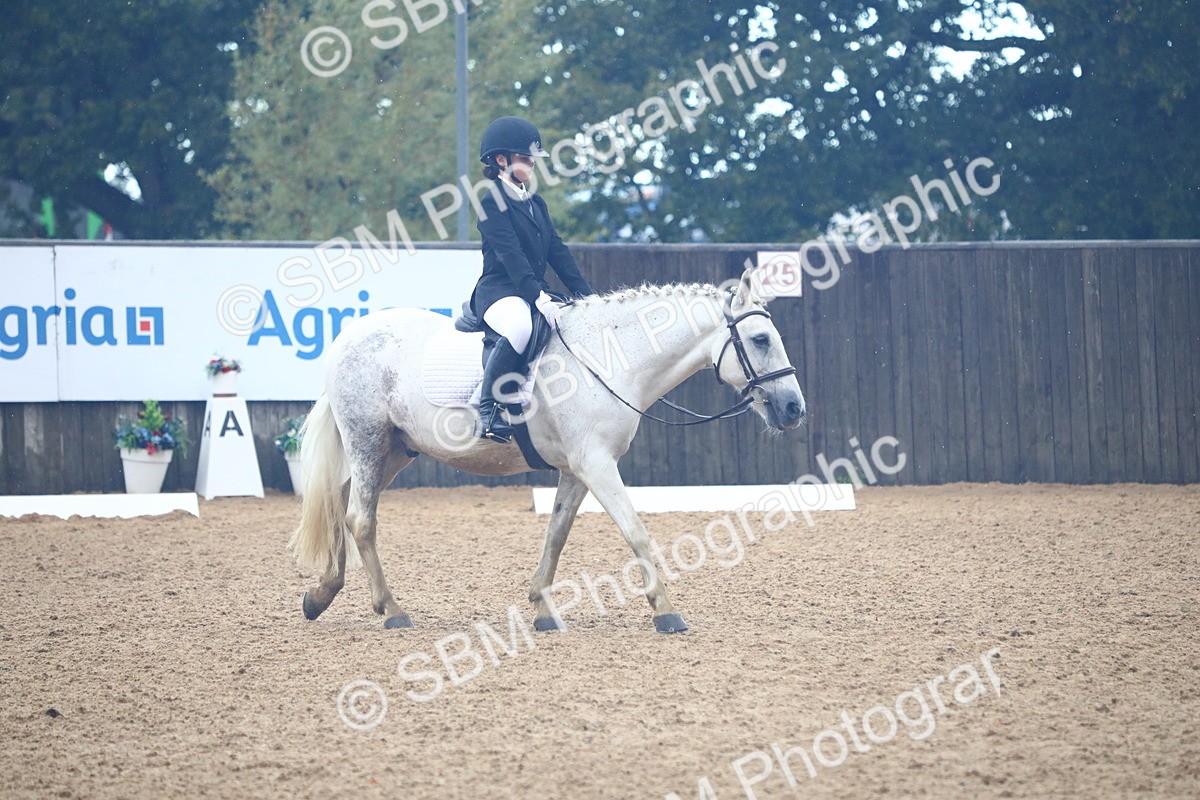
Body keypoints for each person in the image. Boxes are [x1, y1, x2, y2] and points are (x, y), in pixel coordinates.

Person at [469, 116, 594, 443]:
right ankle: (488, 408)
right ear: (501, 161)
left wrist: (587, 296)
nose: (532, 165)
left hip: (529, 290)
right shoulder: (490, 202)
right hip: (500, 291)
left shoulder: (535, 202)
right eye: (525, 158)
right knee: (521, 326)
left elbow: (557, 250)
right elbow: (512, 256)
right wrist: (539, 296)